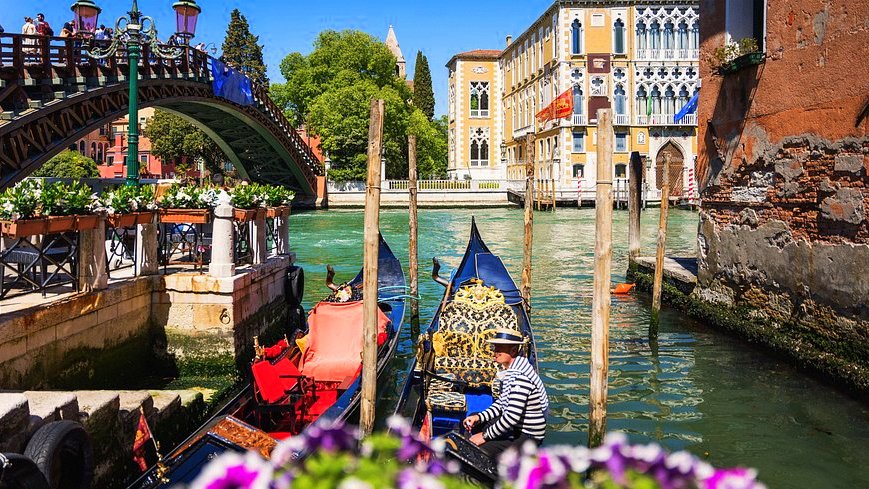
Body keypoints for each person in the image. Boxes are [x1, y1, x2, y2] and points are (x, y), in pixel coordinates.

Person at [463, 328, 549, 457]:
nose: (495, 352)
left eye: (500, 349)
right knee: (475, 419)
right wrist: (479, 417)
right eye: (495, 347)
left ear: (513, 350)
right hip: (516, 427)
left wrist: (484, 436)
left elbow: (511, 417)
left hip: (528, 435)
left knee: (478, 451)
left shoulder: (520, 377)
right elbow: (502, 403)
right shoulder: (513, 370)